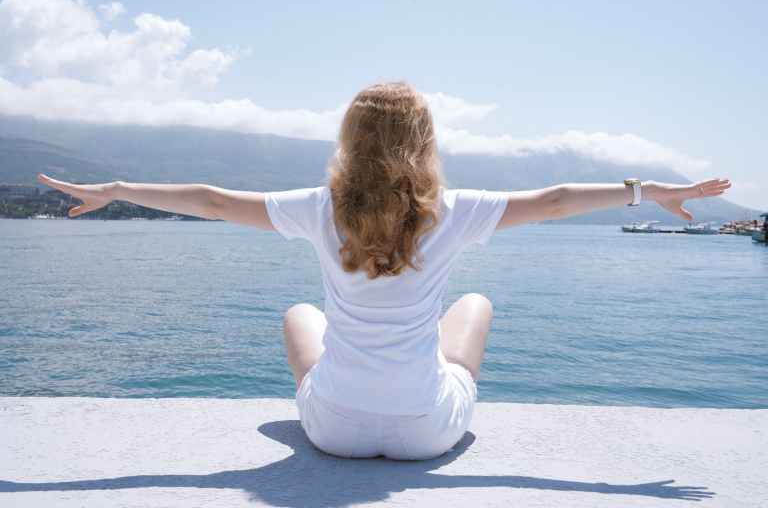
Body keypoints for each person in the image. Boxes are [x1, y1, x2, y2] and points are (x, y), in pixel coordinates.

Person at [37, 81, 731, 461]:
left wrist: (120, 187)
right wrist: (648, 191)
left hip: (333, 431)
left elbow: (213, 201)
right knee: (474, 305)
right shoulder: (451, 211)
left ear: (349, 138)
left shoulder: (319, 208)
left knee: (300, 315)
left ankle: (359, 387)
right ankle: (416, 379)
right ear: (426, 142)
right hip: (428, 429)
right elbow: (552, 201)